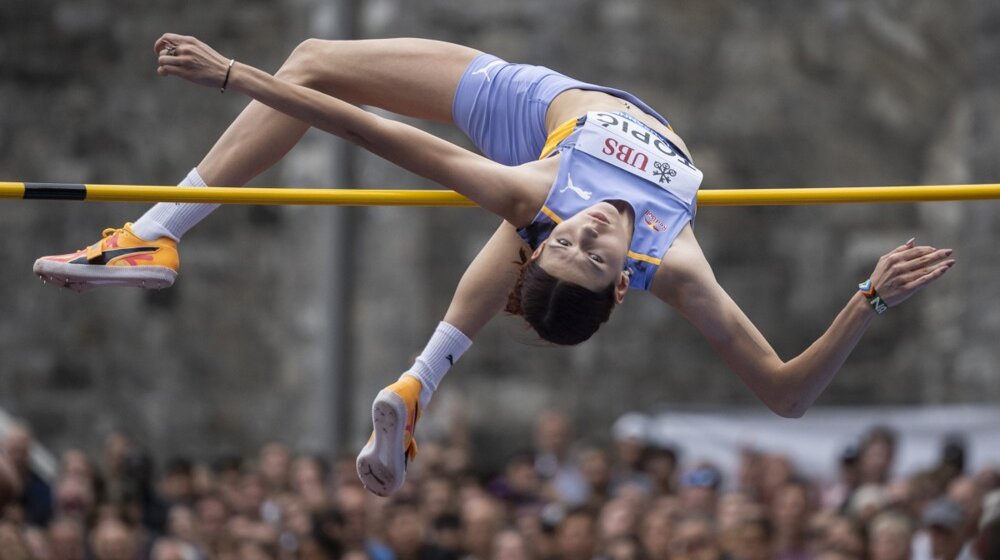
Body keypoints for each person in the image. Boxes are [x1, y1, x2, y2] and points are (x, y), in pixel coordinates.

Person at [34, 34, 955, 497]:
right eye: (588, 248)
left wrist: (236, 73)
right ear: (623, 282)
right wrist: (868, 297)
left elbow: (365, 126)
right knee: (340, 81)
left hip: (537, 113)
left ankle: (156, 233)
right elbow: (787, 394)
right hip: (551, 136)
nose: (587, 229)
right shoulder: (671, 262)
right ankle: (418, 382)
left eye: (569, 241)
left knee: (313, 63)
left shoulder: (542, 192)